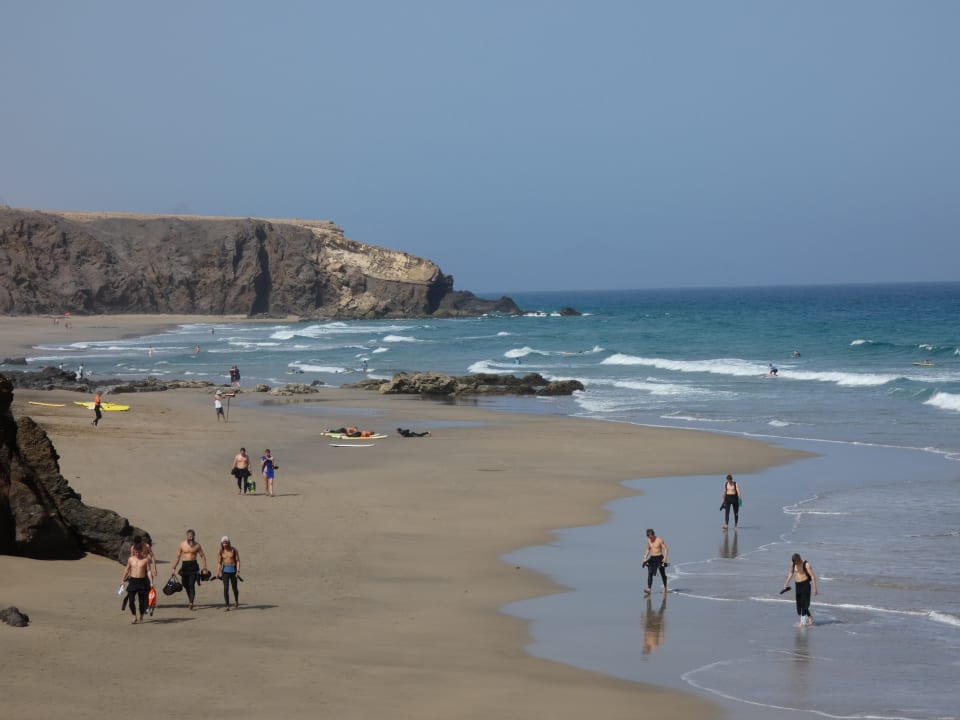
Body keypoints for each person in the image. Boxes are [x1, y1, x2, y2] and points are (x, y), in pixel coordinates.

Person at [170, 529, 209, 610]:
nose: (191, 538)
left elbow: (202, 556)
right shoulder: (182, 545)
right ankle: (190, 599)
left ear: (194, 536)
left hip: (193, 566)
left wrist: (204, 568)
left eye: (192, 536)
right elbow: (178, 557)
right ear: (187, 536)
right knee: (185, 584)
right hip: (185, 566)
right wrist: (174, 567)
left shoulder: (197, 545)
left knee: (191, 584)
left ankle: (191, 602)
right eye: (190, 536)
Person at [122, 538, 154, 624]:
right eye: (136, 552)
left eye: (138, 552)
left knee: (142, 601)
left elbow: (149, 571)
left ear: (141, 551)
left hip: (142, 581)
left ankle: (141, 615)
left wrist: (151, 582)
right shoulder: (131, 559)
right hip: (133, 581)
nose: (137, 554)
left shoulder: (145, 560)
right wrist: (123, 580)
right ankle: (134, 616)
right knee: (131, 600)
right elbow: (127, 569)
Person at [783, 553, 818, 625]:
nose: (796, 564)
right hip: (797, 584)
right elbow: (791, 572)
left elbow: (812, 576)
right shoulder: (793, 563)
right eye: (794, 562)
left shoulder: (806, 564)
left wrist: (815, 588)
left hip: (805, 584)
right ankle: (810, 617)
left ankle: (802, 622)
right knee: (800, 603)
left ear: (799, 560)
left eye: (797, 562)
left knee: (804, 603)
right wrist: (786, 583)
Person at [642, 528, 669, 595]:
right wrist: (645, 557)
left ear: (653, 535)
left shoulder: (659, 540)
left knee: (662, 573)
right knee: (650, 572)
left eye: (651, 537)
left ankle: (665, 587)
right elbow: (648, 549)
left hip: (660, 557)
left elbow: (665, 549)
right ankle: (649, 589)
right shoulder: (649, 540)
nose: (650, 539)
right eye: (649, 537)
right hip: (652, 558)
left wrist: (665, 558)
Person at [217, 536, 241, 610]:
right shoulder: (221, 551)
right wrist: (218, 573)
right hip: (225, 571)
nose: (225, 544)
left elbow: (238, 561)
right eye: (223, 543)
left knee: (235, 588)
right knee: (226, 588)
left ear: (228, 542)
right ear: (222, 543)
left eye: (226, 542)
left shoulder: (233, 550)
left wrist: (238, 571)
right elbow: (219, 563)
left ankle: (236, 601)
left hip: (233, 570)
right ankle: (227, 606)